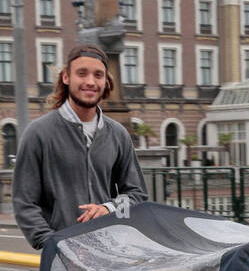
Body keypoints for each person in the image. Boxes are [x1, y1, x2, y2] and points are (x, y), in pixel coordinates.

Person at [12, 43, 148, 249]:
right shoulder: (38, 133)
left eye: (98, 75)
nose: (90, 82)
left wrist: (108, 208)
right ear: (66, 77)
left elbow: (138, 196)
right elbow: (24, 202)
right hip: (63, 257)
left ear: (106, 81)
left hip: (112, 252)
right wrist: (52, 244)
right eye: (82, 73)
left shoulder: (119, 134)